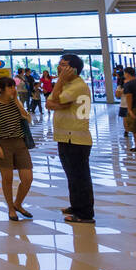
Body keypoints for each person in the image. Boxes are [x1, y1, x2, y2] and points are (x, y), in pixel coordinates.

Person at [47, 54, 94, 225]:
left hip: (76, 138)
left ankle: (85, 213)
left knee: (80, 177)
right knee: (72, 176)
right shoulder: (69, 85)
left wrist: (58, 83)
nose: (60, 68)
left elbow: (53, 100)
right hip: (66, 137)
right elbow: (50, 103)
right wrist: (55, 98)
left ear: (73, 69)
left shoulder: (76, 86)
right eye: (59, 64)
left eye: (64, 65)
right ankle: (76, 206)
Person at [0, 77, 34, 220]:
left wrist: (17, 103)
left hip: (20, 143)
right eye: (10, 87)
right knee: (7, 178)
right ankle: (10, 208)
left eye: (14, 86)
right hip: (3, 143)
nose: (13, 89)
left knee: (27, 178)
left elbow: (28, 119)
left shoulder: (16, 102)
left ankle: (18, 204)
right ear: (1, 89)